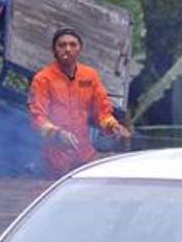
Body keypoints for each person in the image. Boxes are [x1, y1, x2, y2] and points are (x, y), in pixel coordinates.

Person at [28, 27, 132, 177]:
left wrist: (113, 126)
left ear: (80, 49)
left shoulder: (89, 76)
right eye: (62, 45)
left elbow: (102, 111)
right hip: (54, 158)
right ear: (54, 50)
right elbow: (37, 117)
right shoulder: (43, 79)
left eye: (73, 45)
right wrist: (57, 134)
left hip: (85, 156)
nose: (68, 49)